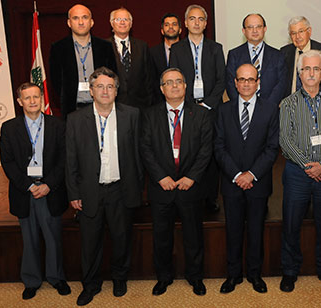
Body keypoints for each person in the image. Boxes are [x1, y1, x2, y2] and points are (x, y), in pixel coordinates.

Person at [66, 67, 142, 306]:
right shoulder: (76, 119)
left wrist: (139, 188)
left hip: (121, 189)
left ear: (117, 91)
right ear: (91, 90)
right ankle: (90, 285)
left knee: (121, 239)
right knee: (90, 243)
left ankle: (120, 278)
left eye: (110, 86)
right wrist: (74, 193)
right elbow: (70, 160)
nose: (105, 91)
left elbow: (139, 154)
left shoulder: (131, 115)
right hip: (90, 191)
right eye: (100, 86)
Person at [279, 50, 321, 292]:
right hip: (297, 173)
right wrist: (309, 166)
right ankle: (289, 271)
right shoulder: (287, 104)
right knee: (291, 224)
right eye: (306, 69)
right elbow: (285, 140)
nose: (311, 73)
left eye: (315, 69)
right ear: (299, 73)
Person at [140, 68, 212, 296]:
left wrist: (191, 177)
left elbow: (205, 150)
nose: (174, 86)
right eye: (169, 83)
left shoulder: (200, 114)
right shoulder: (150, 115)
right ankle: (163, 277)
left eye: (178, 82)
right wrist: (161, 177)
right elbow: (145, 148)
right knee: (162, 237)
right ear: (162, 89)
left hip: (190, 186)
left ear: (185, 85)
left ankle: (195, 277)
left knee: (193, 236)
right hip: (162, 187)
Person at [0, 83, 70, 300]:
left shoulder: (57, 125)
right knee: (28, 239)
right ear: (20, 102)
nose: (32, 101)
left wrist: (48, 184)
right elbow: (8, 162)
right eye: (27, 98)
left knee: (53, 238)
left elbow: (64, 159)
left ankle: (56, 278)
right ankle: (31, 281)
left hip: (51, 190)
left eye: (36, 97)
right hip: (24, 192)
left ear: (42, 99)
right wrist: (29, 186)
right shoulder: (9, 128)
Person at [215, 64, 279, 294]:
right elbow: (219, 147)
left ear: (258, 82)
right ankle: (233, 275)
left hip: (258, 183)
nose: (246, 83)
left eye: (250, 79)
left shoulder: (271, 110)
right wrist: (236, 175)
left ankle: (254, 274)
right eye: (241, 79)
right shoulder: (223, 110)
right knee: (232, 231)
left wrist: (250, 174)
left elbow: (272, 149)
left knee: (256, 231)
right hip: (231, 183)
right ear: (234, 82)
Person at [169, 4, 225, 212]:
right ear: (185, 23)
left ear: (206, 23)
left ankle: (210, 198)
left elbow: (222, 80)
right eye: (192, 19)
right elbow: (174, 79)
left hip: (210, 109)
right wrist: (190, 105)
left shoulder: (215, 48)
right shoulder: (177, 49)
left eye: (201, 19)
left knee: (209, 154)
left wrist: (207, 104)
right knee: (187, 153)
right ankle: (187, 195)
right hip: (186, 109)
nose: (196, 22)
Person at [50, 4, 117, 119]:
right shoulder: (58, 48)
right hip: (72, 110)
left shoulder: (105, 47)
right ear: (69, 23)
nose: (81, 22)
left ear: (91, 22)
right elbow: (56, 82)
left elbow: (113, 76)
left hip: (102, 108)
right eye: (75, 18)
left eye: (85, 17)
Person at [225, 13, 287, 106]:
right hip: (242, 109)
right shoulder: (234, 54)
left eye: (258, 27)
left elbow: (282, 83)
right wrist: (242, 105)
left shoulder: (277, 55)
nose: (255, 31)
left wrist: (269, 106)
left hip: (271, 109)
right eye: (250, 27)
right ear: (243, 31)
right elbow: (230, 83)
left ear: (265, 29)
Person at [281, 16, 321, 99]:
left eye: (301, 31)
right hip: (292, 106)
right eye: (293, 33)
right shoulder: (284, 52)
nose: (297, 37)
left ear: (309, 31)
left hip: (320, 107)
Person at [108, 7, 153, 110]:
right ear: (112, 23)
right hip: (113, 105)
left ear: (131, 24)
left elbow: (149, 79)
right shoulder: (104, 46)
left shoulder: (142, 46)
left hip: (140, 106)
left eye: (126, 19)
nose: (122, 22)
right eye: (118, 19)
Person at [150, 13, 182, 103]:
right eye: (167, 25)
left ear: (180, 30)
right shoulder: (152, 52)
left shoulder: (187, 51)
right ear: (162, 31)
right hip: (159, 103)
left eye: (174, 24)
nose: (171, 27)